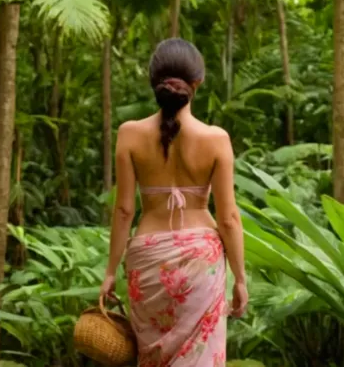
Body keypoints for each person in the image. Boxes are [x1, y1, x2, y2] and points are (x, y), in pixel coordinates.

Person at [100, 38, 248, 367]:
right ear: (198, 82)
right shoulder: (216, 139)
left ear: (154, 82)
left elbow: (124, 210)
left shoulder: (129, 134)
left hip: (147, 259)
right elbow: (228, 219)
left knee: (152, 358)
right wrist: (240, 278)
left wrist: (110, 272)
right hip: (201, 260)